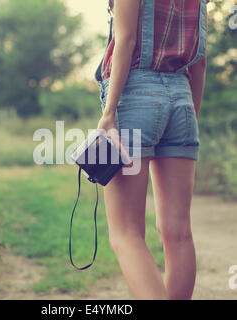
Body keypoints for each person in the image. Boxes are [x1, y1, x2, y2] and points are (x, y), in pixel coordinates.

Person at [95, 0, 209, 300]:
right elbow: (200, 61)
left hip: (134, 96)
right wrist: (187, 119)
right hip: (182, 99)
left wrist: (108, 115)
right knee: (179, 233)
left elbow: (126, 40)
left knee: (126, 233)